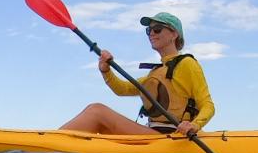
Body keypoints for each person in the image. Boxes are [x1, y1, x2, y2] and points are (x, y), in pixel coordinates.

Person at [60, 12, 214, 137]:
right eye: (149, 30)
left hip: (172, 135)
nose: (151, 33)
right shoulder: (156, 72)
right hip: (154, 134)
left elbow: (207, 105)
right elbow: (122, 89)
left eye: (157, 29)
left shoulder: (187, 64)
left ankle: (50, 144)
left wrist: (194, 125)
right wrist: (106, 70)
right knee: (101, 125)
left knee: (97, 111)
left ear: (174, 34)